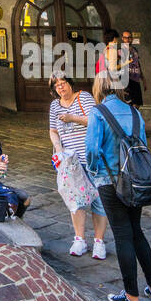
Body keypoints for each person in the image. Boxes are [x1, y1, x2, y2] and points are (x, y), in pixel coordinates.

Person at [85, 65, 151, 301]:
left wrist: (95, 171)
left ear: (99, 87)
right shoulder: (134, 113)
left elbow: (91, 151)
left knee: (122, 235)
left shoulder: (98, 113)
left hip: (109, 182)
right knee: (136, 232)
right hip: (135, 181)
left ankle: (131, 297)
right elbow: (143, 147)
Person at [48, 73, 107, 259]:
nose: (61, 87)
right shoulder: (54, 106)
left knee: (98, 200)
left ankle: (99, 242)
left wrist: (73, 118)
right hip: (70, 161)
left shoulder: (84, 97)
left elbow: (95, 121)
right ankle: (80, 239)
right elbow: (53, 130)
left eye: (63, 83)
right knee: (76, 201)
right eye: (57, 85)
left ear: (70, 83)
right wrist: (58, 148)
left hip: (91, 158)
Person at [121, 29, 145, 107]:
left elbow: (138, 64)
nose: (128, 39)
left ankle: (135, 118)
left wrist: (143, 80)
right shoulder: (120, 51)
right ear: (122, 38)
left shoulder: (135, 50)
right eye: (126, 37)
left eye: (129, 37)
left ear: (132, 38)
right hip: (127, 80)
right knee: (131, 104)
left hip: (136, 80)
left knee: (137, 104)